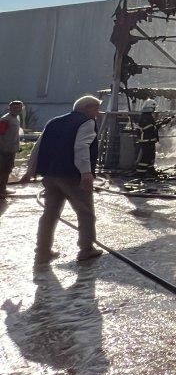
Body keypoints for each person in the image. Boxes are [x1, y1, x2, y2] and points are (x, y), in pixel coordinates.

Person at [19, 95, 104, 264]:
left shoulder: (54, 121)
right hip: (72, 176)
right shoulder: (86, 122)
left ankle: (42, 251)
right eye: (95, 109)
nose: (97, 113)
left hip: (50, 176)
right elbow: (81, 148)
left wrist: (30, 170)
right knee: (85, 212)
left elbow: (38, 146)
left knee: (50, 213)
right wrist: (86, 173)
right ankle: (86, 249)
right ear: (86, 108)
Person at [0, 100, 23, 197]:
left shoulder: (16, 118)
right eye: (14, 108)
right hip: (4, 150)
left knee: (8, 169)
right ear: (9, 108)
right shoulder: (5, 119)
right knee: (3, 170)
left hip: (12, 149)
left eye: (19, 108)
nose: (17, 110)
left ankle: (3, 188)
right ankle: (1, 190)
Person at [134, 101, 160, 170]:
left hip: (149, 140)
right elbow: (149, 128)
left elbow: (152, 126)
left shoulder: (146, 116)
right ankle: (141, 172)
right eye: (153, 108)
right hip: (146, 140)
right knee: (146, 157)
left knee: (151, 157)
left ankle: (150, 170)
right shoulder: (146, 117)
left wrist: (159, 124)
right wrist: (158, 125)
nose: (154, 110)